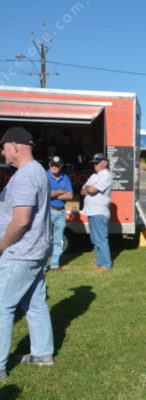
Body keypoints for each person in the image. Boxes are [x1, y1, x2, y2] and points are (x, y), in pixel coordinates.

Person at [0, 127, 54, 381]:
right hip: (35, 250)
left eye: (3, 148)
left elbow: (21, 220)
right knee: (34, 304)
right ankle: (42, 354)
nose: (2, 153)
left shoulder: (25, 176)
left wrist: (2, 245)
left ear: (14, 146)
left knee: (2, 306)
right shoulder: (38, 171)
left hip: (20, 252)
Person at [81, 153, 113, 271]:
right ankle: (100, 262)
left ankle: (106, 264)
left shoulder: (106, 176)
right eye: (94, 163)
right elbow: (82, 191)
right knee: (94, 239)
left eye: (97, 163)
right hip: (91, 211)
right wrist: (89, 187)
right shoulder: (94, 175)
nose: (94, 165)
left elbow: (92, 189)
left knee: (101, 239)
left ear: (104, 164)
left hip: (99, 211)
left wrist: (90, 187)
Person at [46, 155, 73, 272]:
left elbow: (70, 195)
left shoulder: (64, 177)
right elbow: (46, 193)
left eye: (57, 165)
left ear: (61, 166)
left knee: (58, 239)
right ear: (49, 165)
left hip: (61, 211)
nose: (54, 167)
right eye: (53, 164)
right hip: (48, 210)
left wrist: (54, 194)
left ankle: (54, 265)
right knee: (45, 240)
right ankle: (42, 266)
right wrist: (61, 191)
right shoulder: (44, 176)